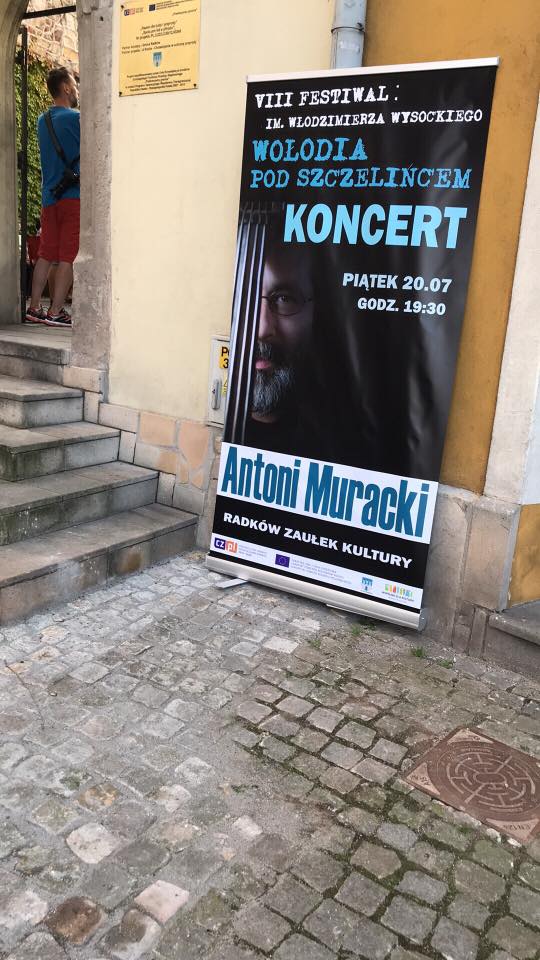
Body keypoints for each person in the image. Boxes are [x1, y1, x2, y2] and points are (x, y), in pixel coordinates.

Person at [25, 66, 80, 328]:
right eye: (74, 85)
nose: (77, 89)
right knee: (68, 255)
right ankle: (56, 311)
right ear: (66, 88)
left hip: (49, 197)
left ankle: (34, 308)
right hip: (73, 196)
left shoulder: (41, 120)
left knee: (45, 254)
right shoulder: (77, 119)